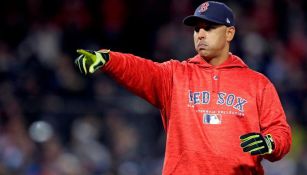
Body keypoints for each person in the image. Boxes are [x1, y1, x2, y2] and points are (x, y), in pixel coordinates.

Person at [75, 1, 291, 174]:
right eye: (197, 29)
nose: (201, 34)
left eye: (210, 28)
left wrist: (270, 142)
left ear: (229, 33)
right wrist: (108, 59)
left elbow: (280, 131)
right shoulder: (175, 75)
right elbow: (140, 69)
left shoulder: (256, 83)